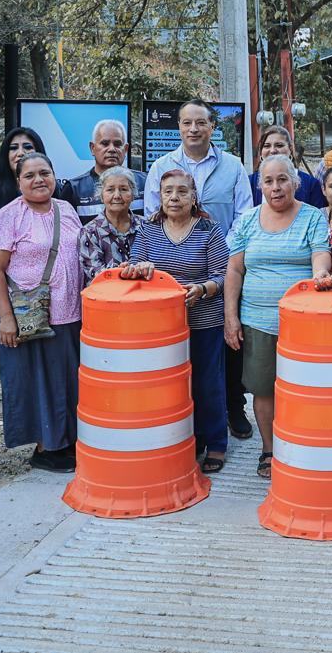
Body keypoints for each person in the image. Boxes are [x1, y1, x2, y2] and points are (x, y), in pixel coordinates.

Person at [144, 99, 253, 440]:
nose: (194, 129)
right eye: (187, 123)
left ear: (212, 127)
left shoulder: (233, 166)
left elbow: (243, 217)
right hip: (170, 282)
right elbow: (152, 216)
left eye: (201, 122)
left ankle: (234, 409)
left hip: (224, 270)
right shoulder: (161, 165)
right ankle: (185, 429)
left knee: (228, 346)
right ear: (178, 127)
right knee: (177, 362)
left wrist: (223, 255)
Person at [224, 155, 331, 477]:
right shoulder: (247, 220)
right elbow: (234, 269)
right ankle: (269, 450)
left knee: (305, 388)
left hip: (303, 321)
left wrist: (320, 277)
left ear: (295, 183)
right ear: (260, 186)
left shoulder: (312, 217)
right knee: (262, 388)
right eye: (268, 181)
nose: (275, 187)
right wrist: (231, 318)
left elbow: (320, 255)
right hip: (257, 321)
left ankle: (303, 445)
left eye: (282, 179)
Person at [122, 169, 231, 474]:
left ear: (193, 197)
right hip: (162, 327)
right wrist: (139, 269)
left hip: (204, 319)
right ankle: (189, 438)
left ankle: (217, 443)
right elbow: (133, 267)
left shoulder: (209, 230)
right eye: (168, 191)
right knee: (173, 386)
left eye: (182, 191)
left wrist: (202, 289)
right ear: (160, 195)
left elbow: (223, 276)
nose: (174, 197)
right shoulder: (148, 230)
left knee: (207, 383)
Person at [0, 152, 83, 473]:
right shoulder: (9, 216)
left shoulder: (66, 210)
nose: (39, 180)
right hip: (28, 316)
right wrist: (7, 317)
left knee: (66, 381)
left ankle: (65, 441)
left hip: (69, 313)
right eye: (30, 176)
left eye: (45, 173)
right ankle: (45, 448)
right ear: (18, 182)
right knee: (36, 383)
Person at [0, 127, 76, 340]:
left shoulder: (62, 203)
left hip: (63, 310)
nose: (20, 152)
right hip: (6, 296)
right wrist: (6, 315)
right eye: (13, 147)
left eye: (28, 147)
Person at [67, 119, 146, 225]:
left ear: (126, 149)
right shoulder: (74, 188)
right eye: (105, 144)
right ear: (92, 148)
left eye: (118, 144)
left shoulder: (144, 182)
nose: (112, 149)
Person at [77, 166, 142, 284]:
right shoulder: (89, 232)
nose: (117, 195)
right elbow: (97, 276)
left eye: (123, 189)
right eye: (110, 190)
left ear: (133, 194)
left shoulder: (146, 226)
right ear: (101, 196)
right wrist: (126, 273)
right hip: (105, 299)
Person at [252, 125, 326, 208]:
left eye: (279, 145)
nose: (272, 150)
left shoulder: (311, 184)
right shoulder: (250, 182)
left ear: (290, 148)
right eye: (266, 146)